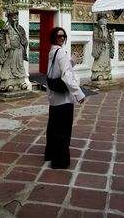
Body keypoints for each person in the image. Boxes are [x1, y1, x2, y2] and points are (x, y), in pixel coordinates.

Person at [45, 27, 85, 169]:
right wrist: (78, 93)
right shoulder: (60, 52)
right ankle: (60, 160)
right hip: (63, 99)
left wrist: (73, 60)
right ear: (54, 38)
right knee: (63, 130)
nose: (62, 38)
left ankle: (50, 153)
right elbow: (66, 75)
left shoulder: (53, 51)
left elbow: (61, 69)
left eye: (63, 36)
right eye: (59, 36)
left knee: (53, 127)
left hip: (54, 97)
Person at [0, 9, 28, 93]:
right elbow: (1, 40)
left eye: (16, 16)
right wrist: (6, 45)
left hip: (18, 51)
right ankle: (7, 84)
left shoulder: (20, 29)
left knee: (19, 67)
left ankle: (21, 82)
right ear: (9, 17)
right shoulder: (5, 29)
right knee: (8, 67)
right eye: (13, 16)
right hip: (10, 51)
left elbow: (24, 40)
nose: (15, 18)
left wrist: (23, 44)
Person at [91, 13, 115, 81]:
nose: (105, 21)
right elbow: (95, 38)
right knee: (99, 61)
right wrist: (102, 40)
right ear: (100, 20)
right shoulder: (96, 28)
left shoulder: (106, 29)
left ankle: (106, 73)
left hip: (106, 48)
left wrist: (111, 36)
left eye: (105, 20)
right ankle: (97, 74)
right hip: (100, 48)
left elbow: (108, 38)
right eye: (103, 19)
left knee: (106, 61)